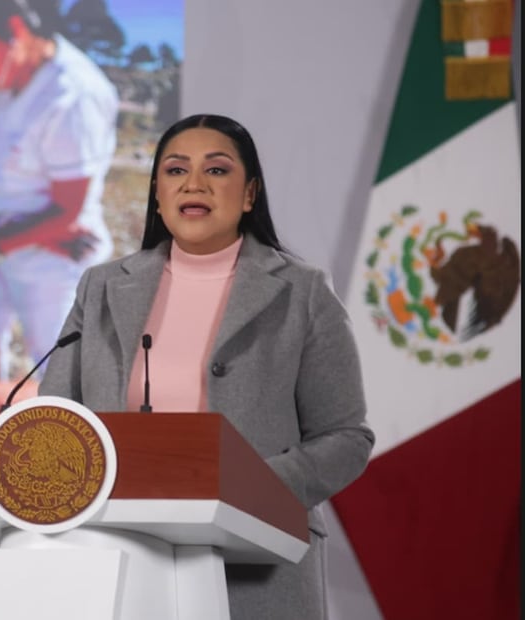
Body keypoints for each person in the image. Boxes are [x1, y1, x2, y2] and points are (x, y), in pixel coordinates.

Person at [38, 114, 375, 619]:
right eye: (175, 171)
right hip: (120, 553)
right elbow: (55, 422)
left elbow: (347, 437)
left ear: (249, 194)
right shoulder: (102, 287)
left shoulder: (302, 293)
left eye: (216, 171)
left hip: (259, 555)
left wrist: (253, 482)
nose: (193, 183)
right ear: (157, 194)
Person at [0, 0, 118, 379]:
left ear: (16, 30)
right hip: (5, 246)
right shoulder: (8, 74)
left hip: (54, 264)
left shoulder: (73, 95)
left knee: (60, 380)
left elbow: (67, 210)